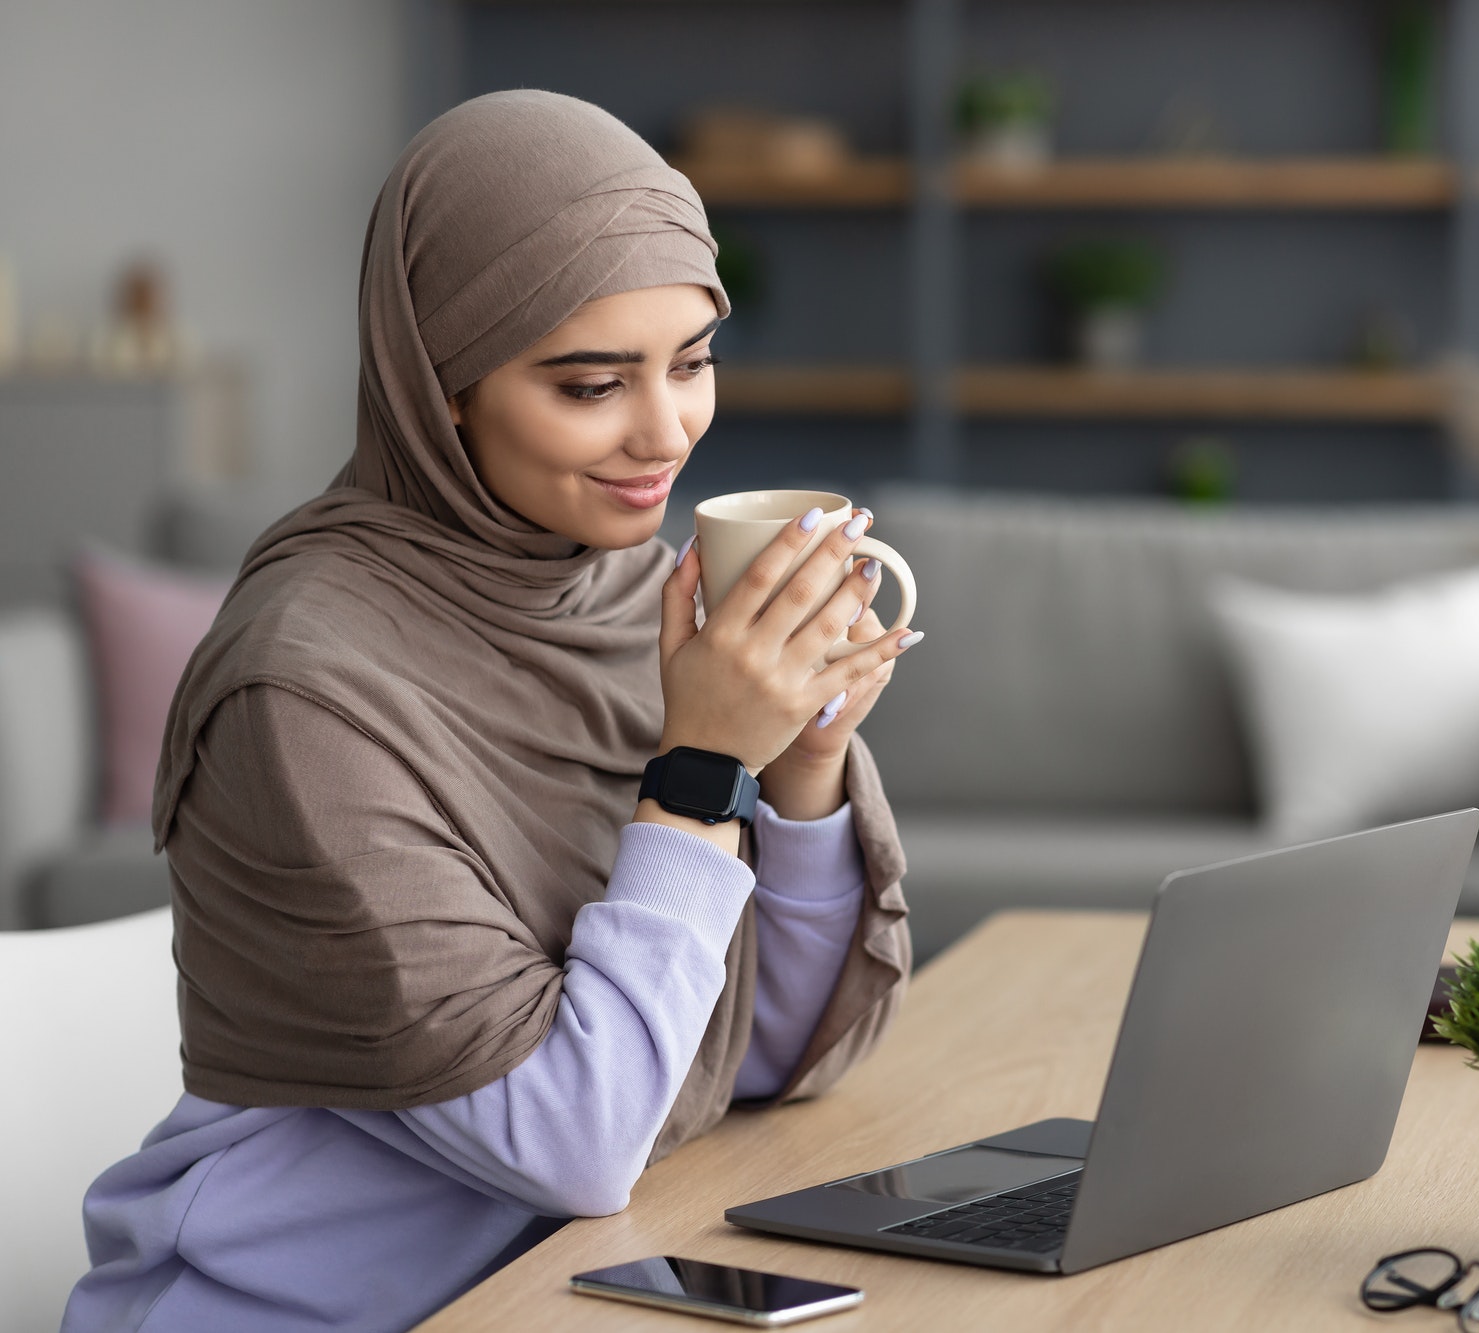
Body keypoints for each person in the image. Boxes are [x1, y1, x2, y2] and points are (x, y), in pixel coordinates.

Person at [61, 90, 920, 1333]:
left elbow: (754, 1059)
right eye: (589, 386)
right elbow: (576, 1140)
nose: (664, 432)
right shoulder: (304, 688)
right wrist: (696, 769)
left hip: (553, 1291)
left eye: (692, 363)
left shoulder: (623, 588)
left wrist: (796, 767)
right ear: (440, 384)